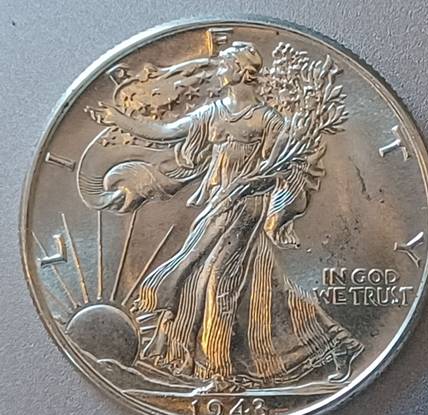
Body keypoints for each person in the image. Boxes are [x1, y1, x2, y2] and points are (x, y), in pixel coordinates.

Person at [88, 41, 363, 387]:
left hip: (247, 207)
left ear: (240, 71)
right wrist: (121, 121)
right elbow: (167, 133)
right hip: (218, 202)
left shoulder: (268, 119)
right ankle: (330, 344)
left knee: (218, 278)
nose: (219, 70)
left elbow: (280, 171)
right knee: (233, 281)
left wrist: (248, 186)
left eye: (224, 65)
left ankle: (217, 369)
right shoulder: (213, 113)